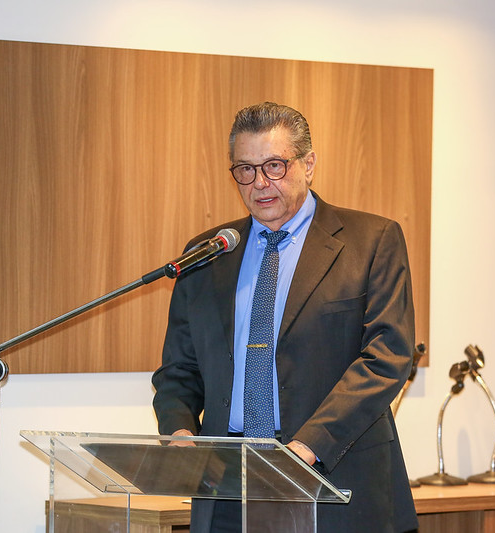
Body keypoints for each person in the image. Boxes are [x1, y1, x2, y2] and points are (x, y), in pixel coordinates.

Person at [152, 102, 418, 532]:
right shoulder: (209, 252)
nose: (260, 183)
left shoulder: (371, 241)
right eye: (245, 169)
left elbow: (387, 358)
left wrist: (308, 447)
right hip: (225, 487)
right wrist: (180, 432)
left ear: (308, 164)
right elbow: (178, 371)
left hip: (331, 476)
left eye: (274, 166)